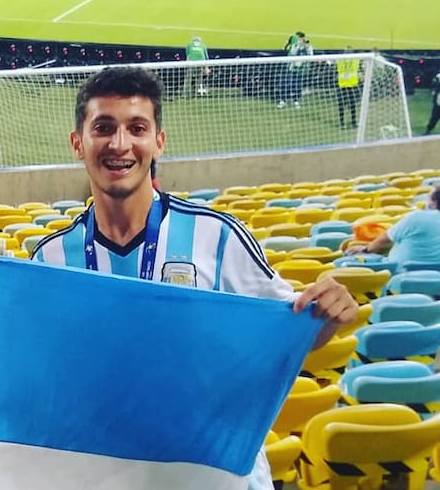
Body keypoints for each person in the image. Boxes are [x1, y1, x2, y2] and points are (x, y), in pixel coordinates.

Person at [28, 66, 358, 490]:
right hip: (108, 472)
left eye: (137, 128)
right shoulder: (48, 259)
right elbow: (32, 367)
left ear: (158, 141)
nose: (120, 144)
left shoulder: (218, 237)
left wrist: (327, 314)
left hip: (209, 475)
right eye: (103, 128)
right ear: (78, 143)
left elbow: (288, 328)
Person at [345, 186, 440, 272]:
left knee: (346, 261)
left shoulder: (417, 217)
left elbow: (385, 239)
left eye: (428, 197)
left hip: (400, 275)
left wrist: (366, 250)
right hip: (435, 279)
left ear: (434, 202)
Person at [280, 36, 312, 109]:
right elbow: (291, 55)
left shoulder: (307, 49)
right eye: (303, 42)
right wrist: (298, 47)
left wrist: (307, 48)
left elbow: (310, 57)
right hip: (292, 69)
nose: (304, 44)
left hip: (301, 71)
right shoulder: (295, 47)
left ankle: (296, 101)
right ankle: (283, 101)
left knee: (298, 86)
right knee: (287, 84)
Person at [334, 47, 361, 129]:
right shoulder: (356, 60)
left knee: (342, 105)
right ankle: (353, 122)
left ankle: (343, 123)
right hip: (351, 85)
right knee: (352, 105)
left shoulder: (339, 60)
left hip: (343, 85)